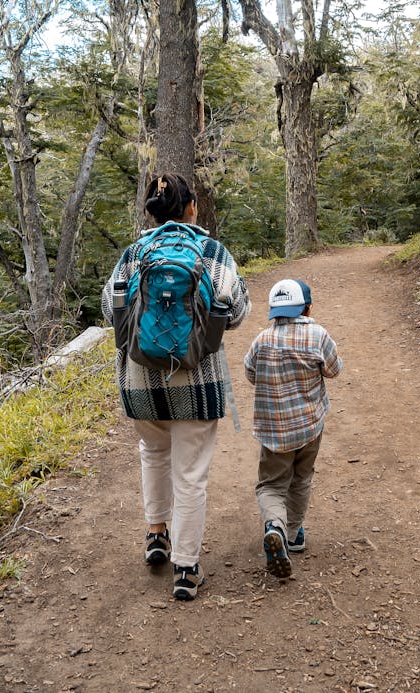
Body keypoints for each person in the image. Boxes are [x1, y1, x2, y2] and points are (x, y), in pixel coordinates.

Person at [101, 173, 250, 601]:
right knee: (191, 474)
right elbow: (235, 313)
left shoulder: (134, 253)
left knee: (152, 454)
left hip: (139, 381)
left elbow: (111, 313)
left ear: (151, 210)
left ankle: (155, 535)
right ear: (191, 208)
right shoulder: (212, 251)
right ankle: (186, 568)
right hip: (197, 381)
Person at [244, 277, 342, 578]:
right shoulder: (318, 335)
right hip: (310, 426)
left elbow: (250, 373)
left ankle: (274, 525)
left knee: (272, 484)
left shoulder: (262, 340)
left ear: (273, 312)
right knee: (301, 478)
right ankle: (293, 534)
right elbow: (334, 370)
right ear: (307, 309)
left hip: (273, 430)